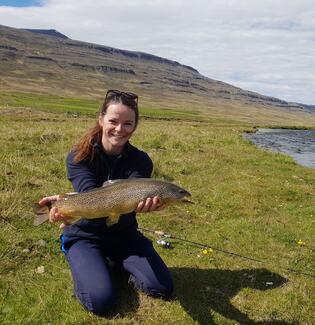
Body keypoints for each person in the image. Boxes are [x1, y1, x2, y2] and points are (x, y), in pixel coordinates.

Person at [38, 89, 173, 315]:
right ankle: (86, 258)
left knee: (161, 288)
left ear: (135, 126)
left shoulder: (140, 160)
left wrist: (149, 203)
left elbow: (138, 191)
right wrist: (64, 206)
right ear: (101, 119)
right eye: (113, 121)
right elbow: (91, 195)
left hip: (125, 235)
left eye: (128, 124)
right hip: (85, 236)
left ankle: (114, 264)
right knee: (102, 302)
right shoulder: (79, 156)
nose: (120, 129)